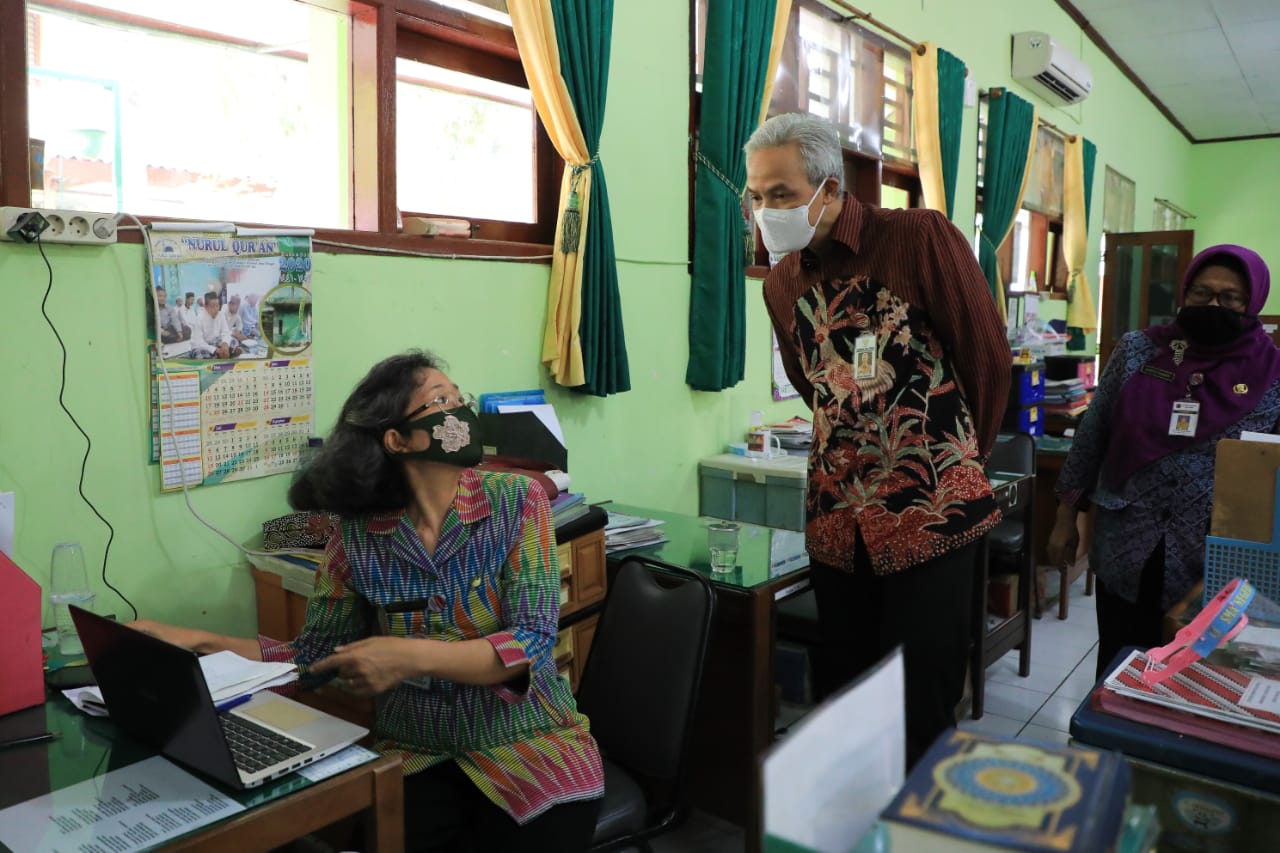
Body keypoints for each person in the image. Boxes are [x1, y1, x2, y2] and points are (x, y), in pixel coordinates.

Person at [131, 351, 604, 852]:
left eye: (458, 397)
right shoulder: (355, 539)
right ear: (397, 439)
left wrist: (406, 656)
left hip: (530, 749)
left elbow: (531, 641)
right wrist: (196, 640)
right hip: (418, 755)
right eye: (439, 402)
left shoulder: (517, 501)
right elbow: (312, 659)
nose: (460, 412)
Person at [745, 113, 1011, 766]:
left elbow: (987, 358)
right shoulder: (782, 284)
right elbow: (816, 388)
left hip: (933, 511)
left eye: (782, 194)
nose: (766, 210)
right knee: (847, 698)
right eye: (756, 196)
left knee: (919, 704)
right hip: (839, 517)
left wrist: (946, 454)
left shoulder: (918, 238)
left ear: (830, 189)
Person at [1047, 245, 1280, 680]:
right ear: (1184, 293)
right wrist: (1066, 516)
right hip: (1128, 544)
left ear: (1252, 304)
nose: (1214, 305)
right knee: (1118, 669)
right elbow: (1093, 434)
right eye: (1202, 293)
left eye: (1230, 298)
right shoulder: (1139, 350)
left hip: (1212, 563)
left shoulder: (1274, 374)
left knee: (1192, 680)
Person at [189, 290, 241, 359]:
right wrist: (216, 350)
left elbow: (225, 332)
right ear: (205, 306)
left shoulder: (220, 314)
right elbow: (198, 342)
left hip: (216, 342)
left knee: (233, 340)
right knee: (199, 355)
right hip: (202, 345)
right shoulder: (199, 318)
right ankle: (228, 352)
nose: (216, 308)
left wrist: (225, 344)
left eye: (218, 305)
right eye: (213, 306)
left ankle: (223, 353)